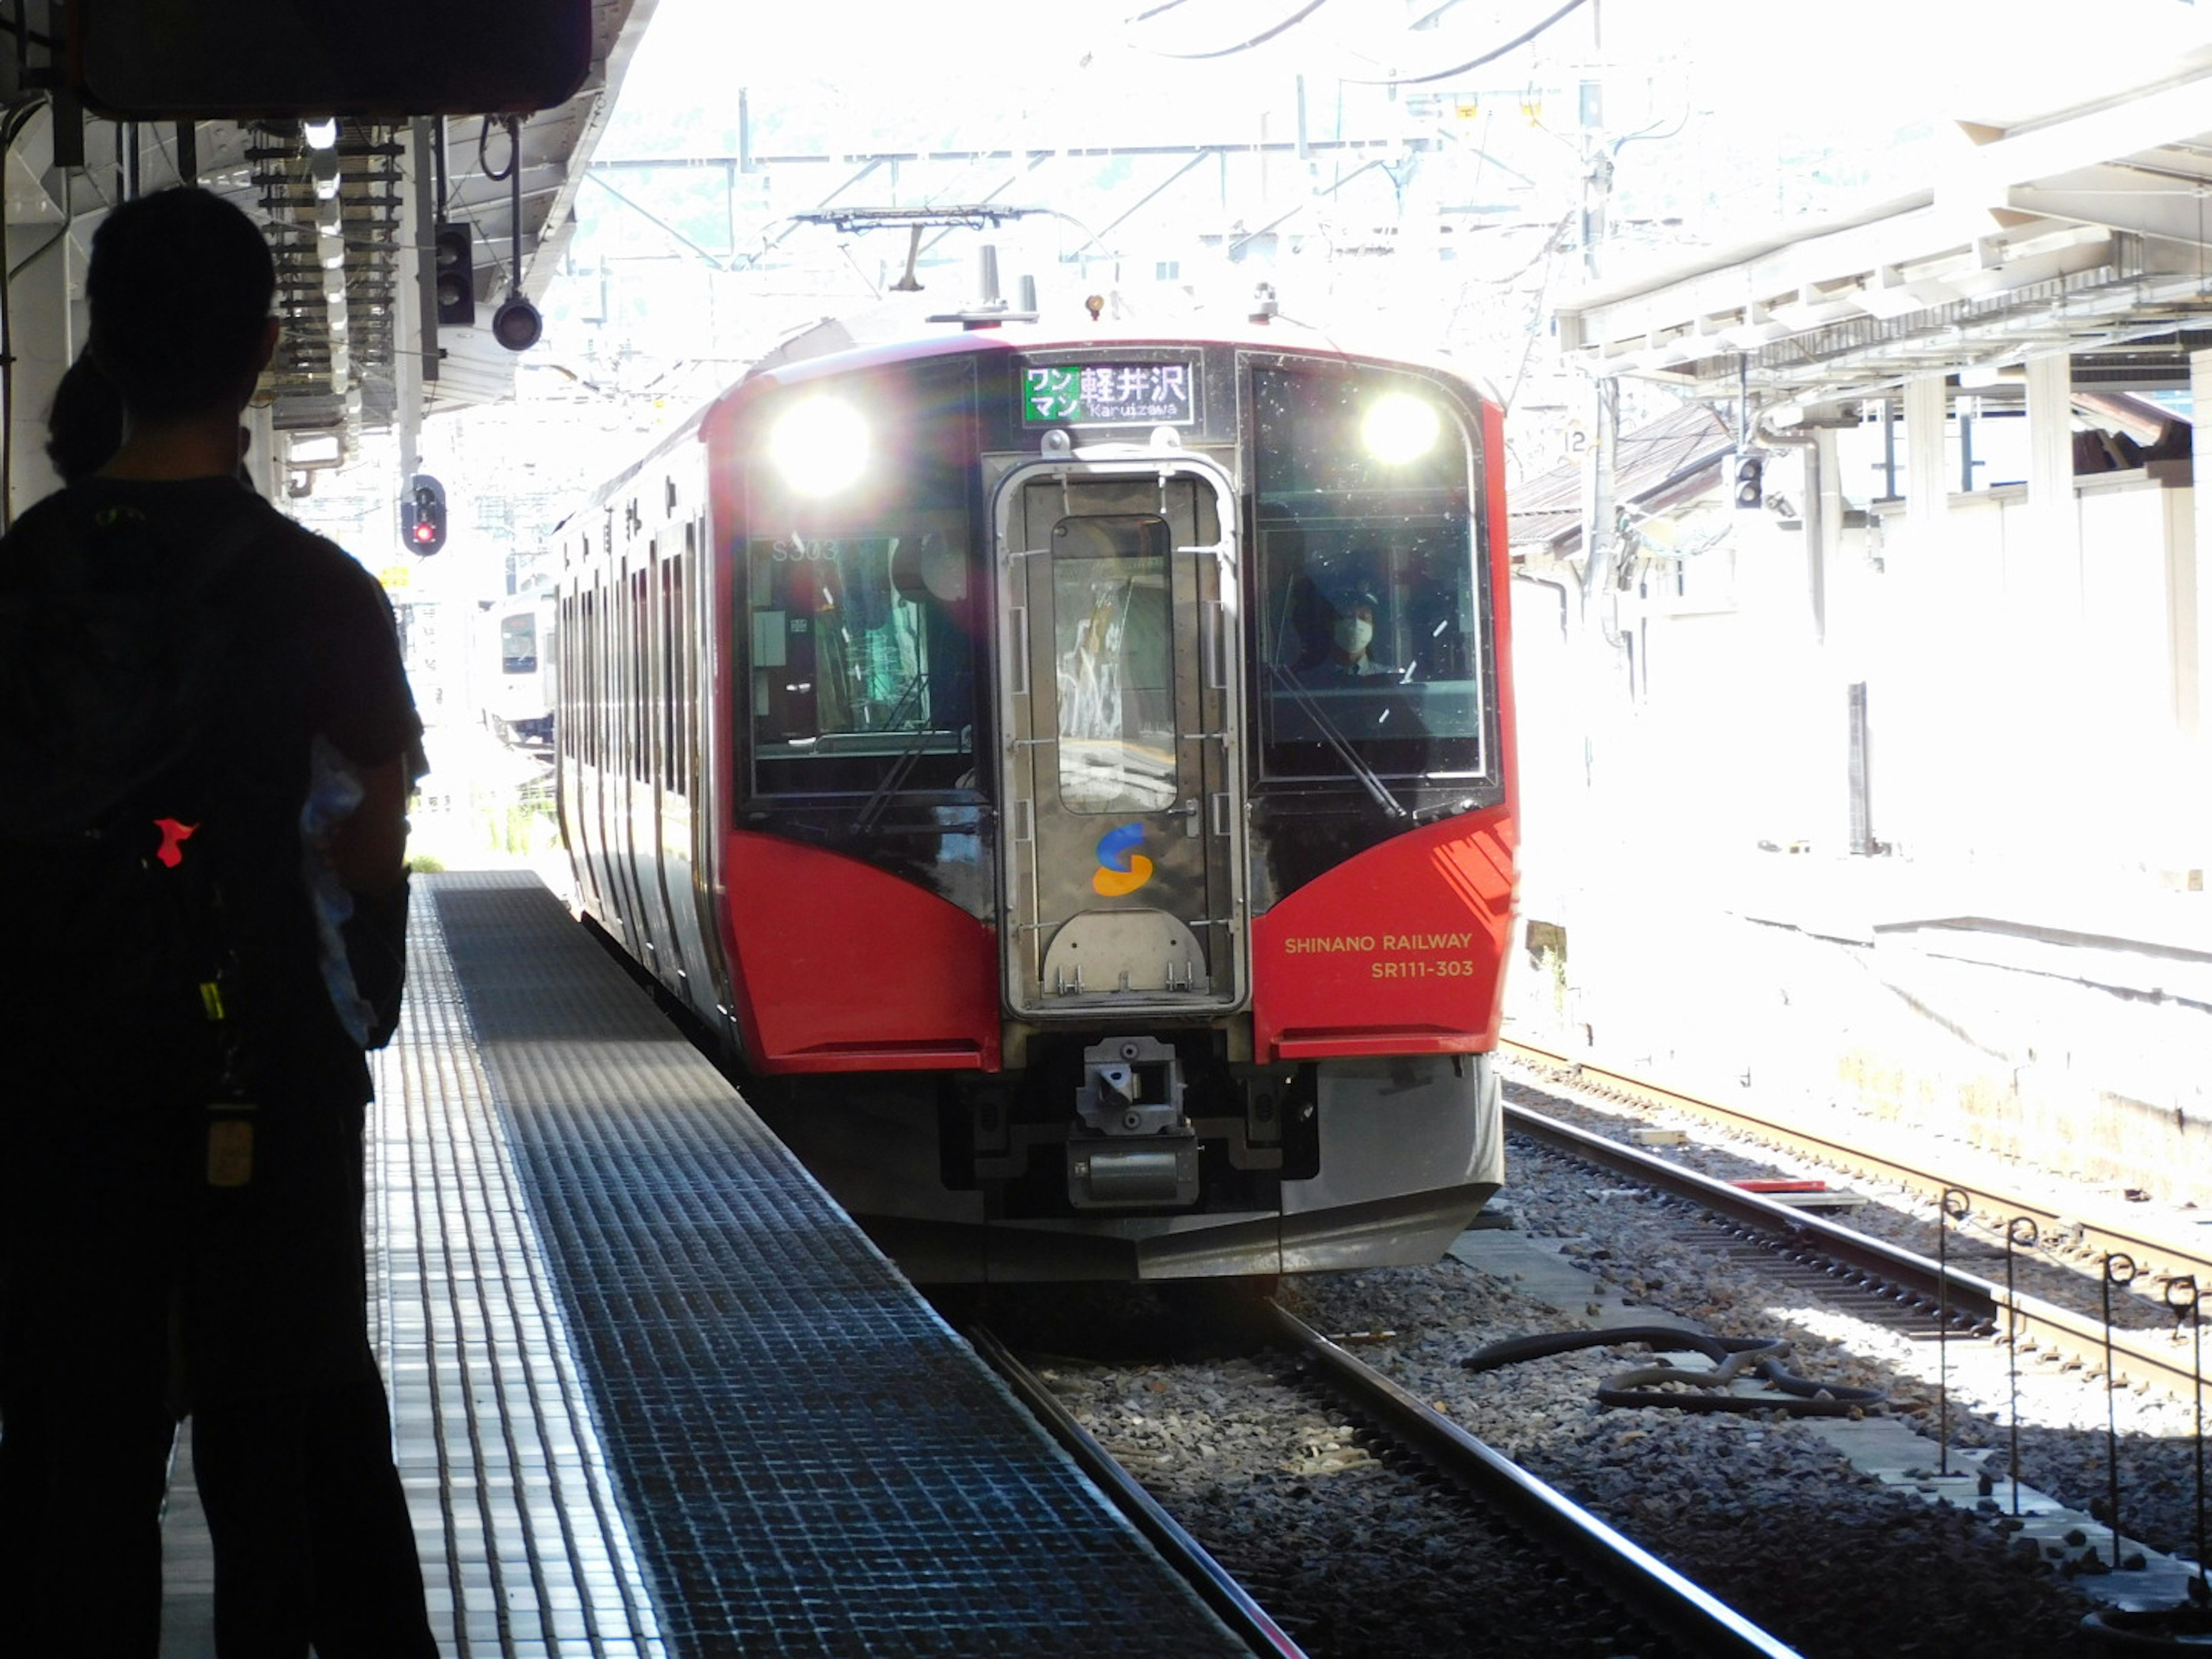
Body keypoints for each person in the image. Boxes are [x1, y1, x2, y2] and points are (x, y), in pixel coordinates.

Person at [0, 186, 436, 1659]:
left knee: (79, 1462)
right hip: (265, 1089)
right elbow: (370, 849)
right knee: (283, 1455)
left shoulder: (18, 581)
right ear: (260, 352)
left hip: (55, 1087)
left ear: (104, 349)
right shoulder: (321, 594)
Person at [1297, 581, 1399, 683]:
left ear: (1372, 626)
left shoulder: (1388, 681)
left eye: (1363, 618)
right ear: (1330, 624)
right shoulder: (1308, 682)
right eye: (1348, 617)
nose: (1356, 624)